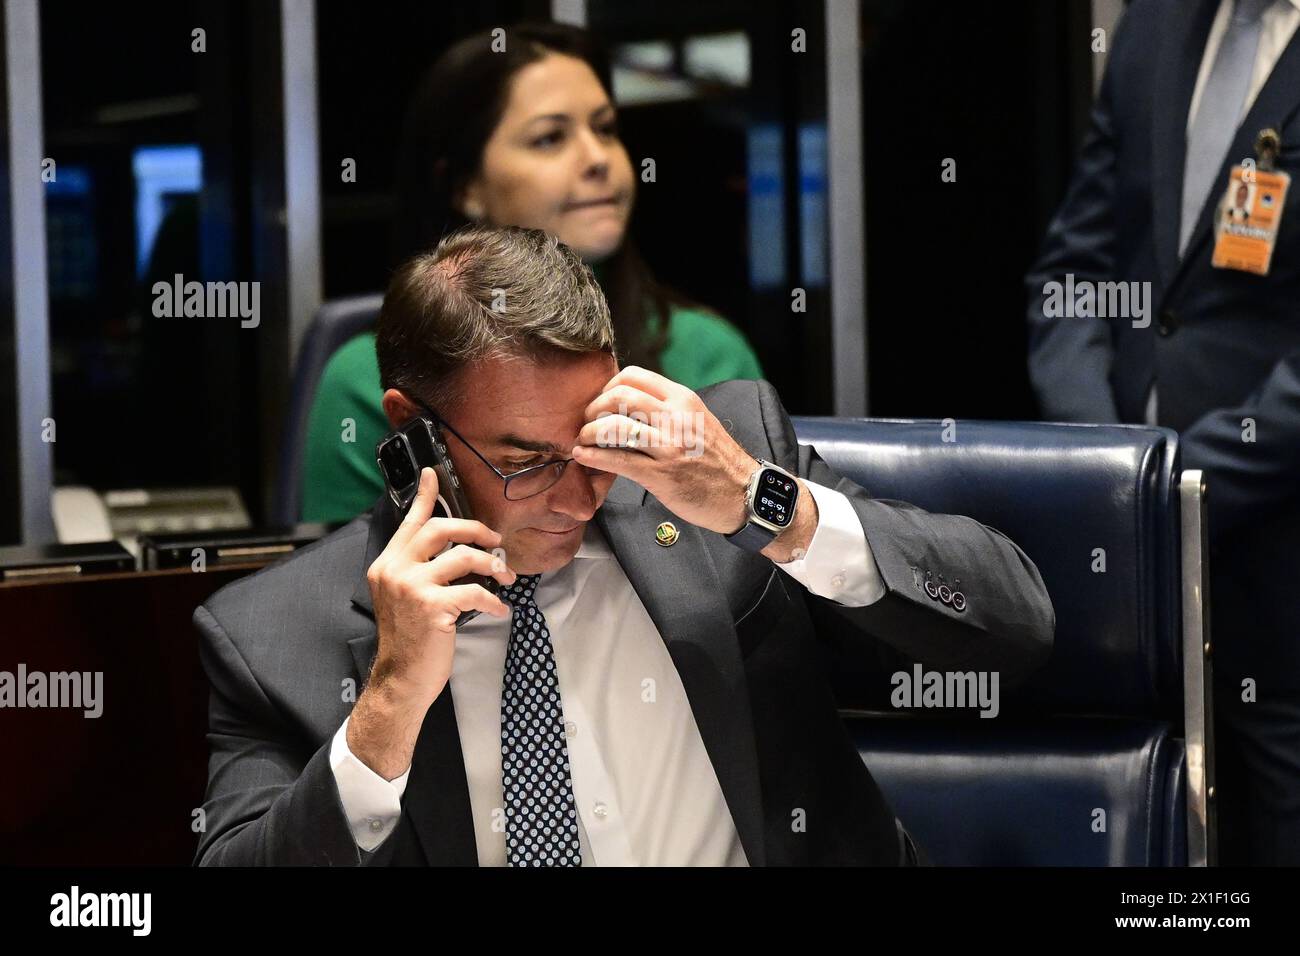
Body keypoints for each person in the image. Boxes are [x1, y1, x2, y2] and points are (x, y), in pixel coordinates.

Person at [195, 224, 1054, 866]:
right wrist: (386, 707)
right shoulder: (273, 636)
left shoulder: (718, 473)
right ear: (411, 429)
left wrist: (767, 505)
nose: (579, 493)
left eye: (595, 442)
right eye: (526, 462)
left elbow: (1013, 626)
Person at [1025, 0, 1300, 863]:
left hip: (1281, 559)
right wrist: (1108, 474)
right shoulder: (1156, 24)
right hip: (1131, 579)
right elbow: (1074, 270)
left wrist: (1172, 485)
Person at [302, 22, 762, 524]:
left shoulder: (707, 348)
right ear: (465, 186)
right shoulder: (362, 379)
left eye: (606, 129)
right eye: (549, 138)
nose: (596, 159)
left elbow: (756, 564)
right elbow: (349, 580)